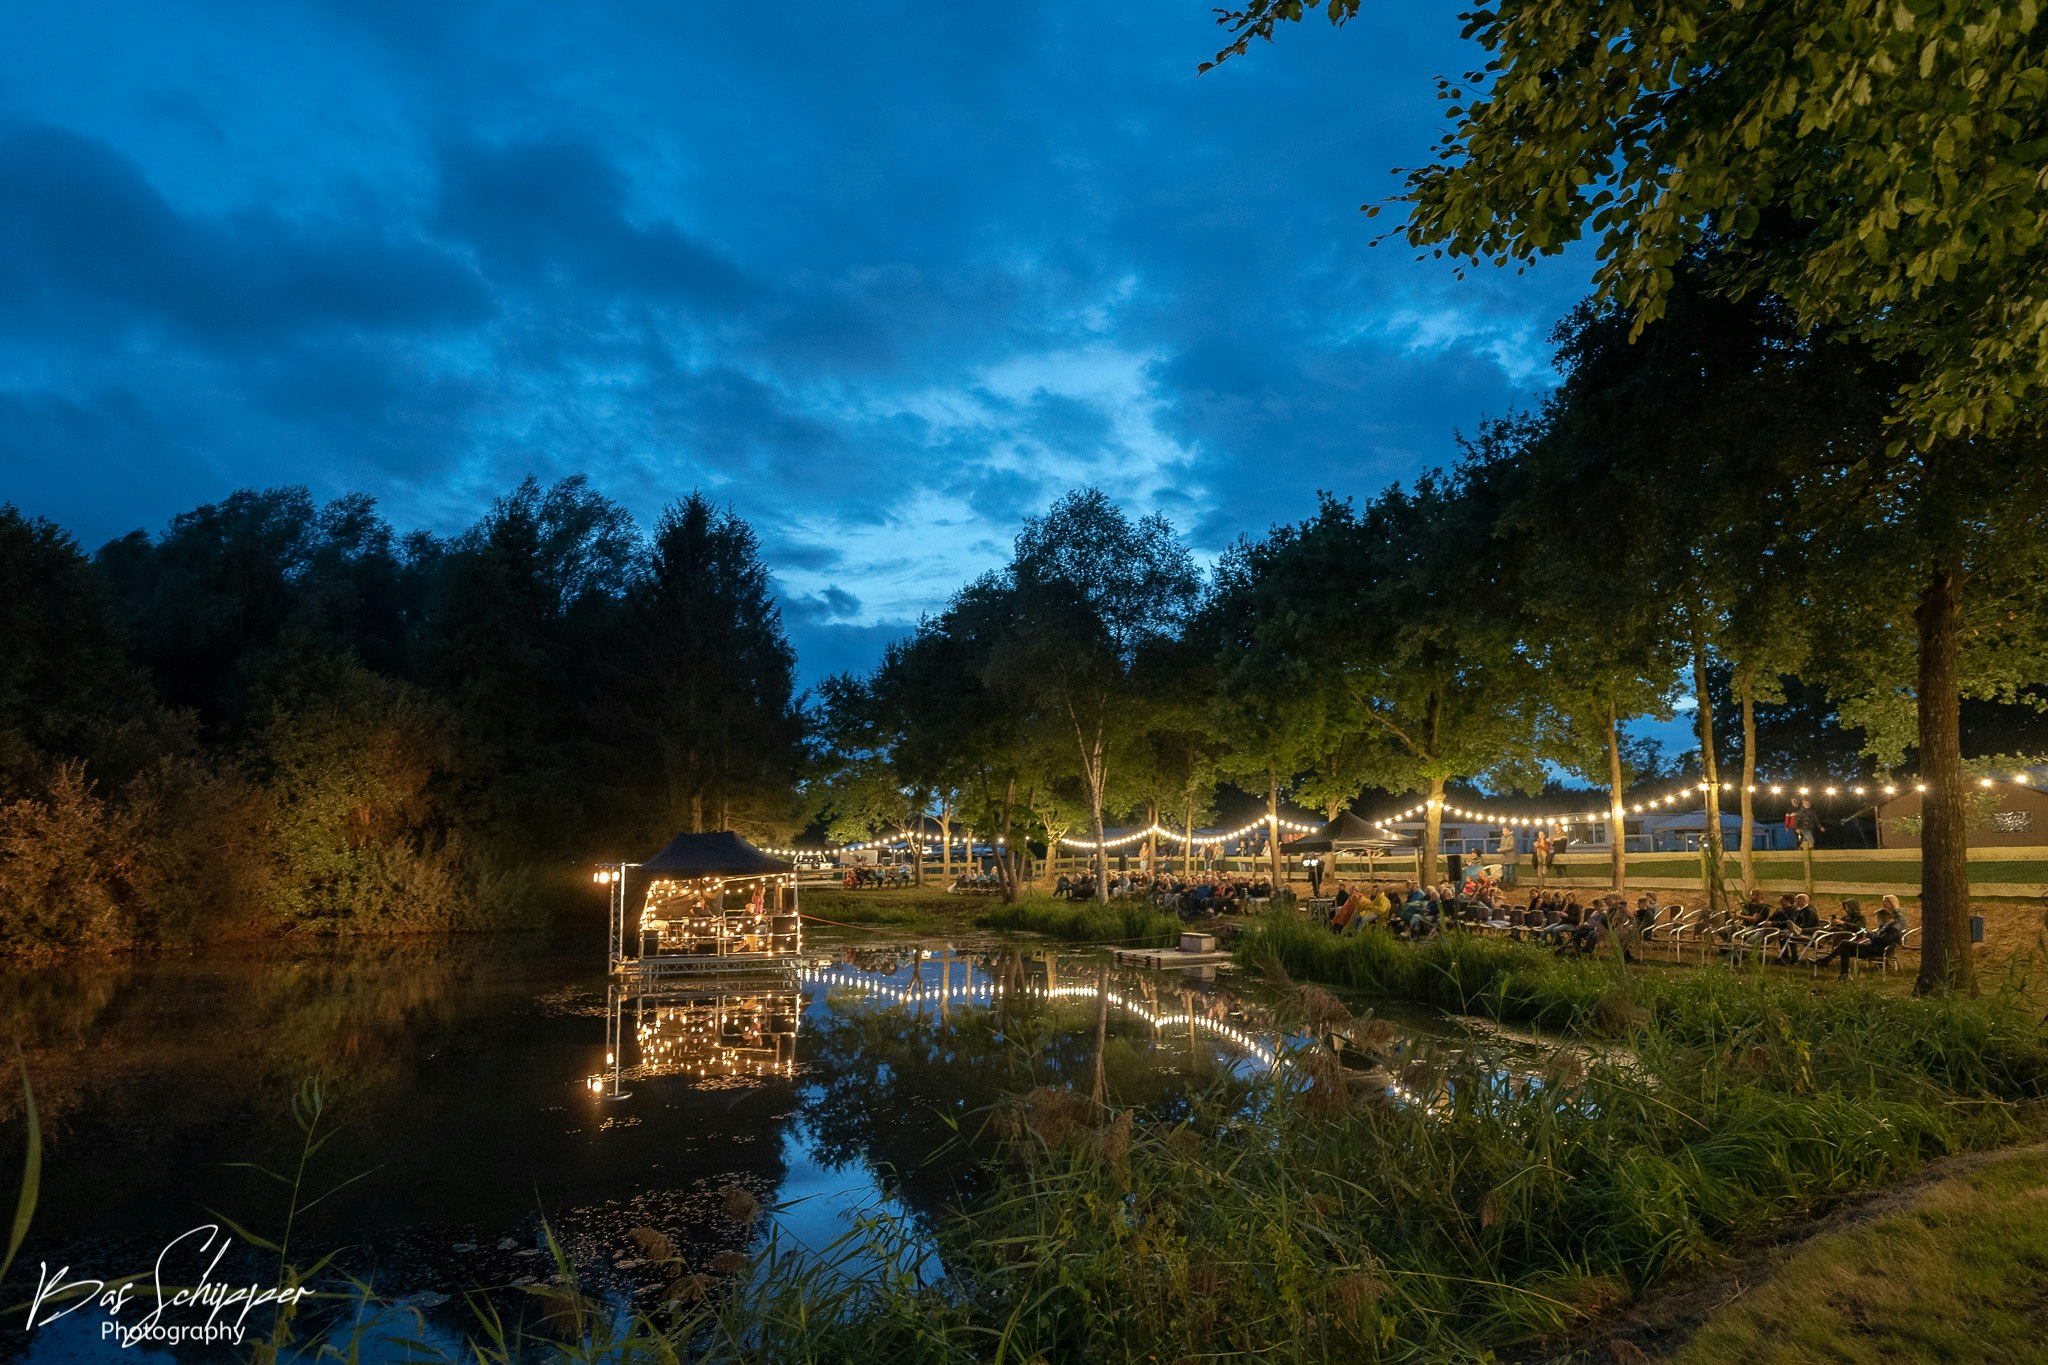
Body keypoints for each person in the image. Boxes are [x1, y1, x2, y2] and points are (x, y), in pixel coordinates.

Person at [1817, 907, 1905, 977]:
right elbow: (1881, 938)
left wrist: (1869, 935)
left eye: (1879, 918)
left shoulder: (1893, 929)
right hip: (1874, 948)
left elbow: (1882, 940)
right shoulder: (1890, 926)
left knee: (1845, 942)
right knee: (1844, 951)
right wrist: (1873, 934)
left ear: (1885, 918)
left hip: (1875, 951)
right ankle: (1844, 975)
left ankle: (1826, 960)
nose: (1878, 920)